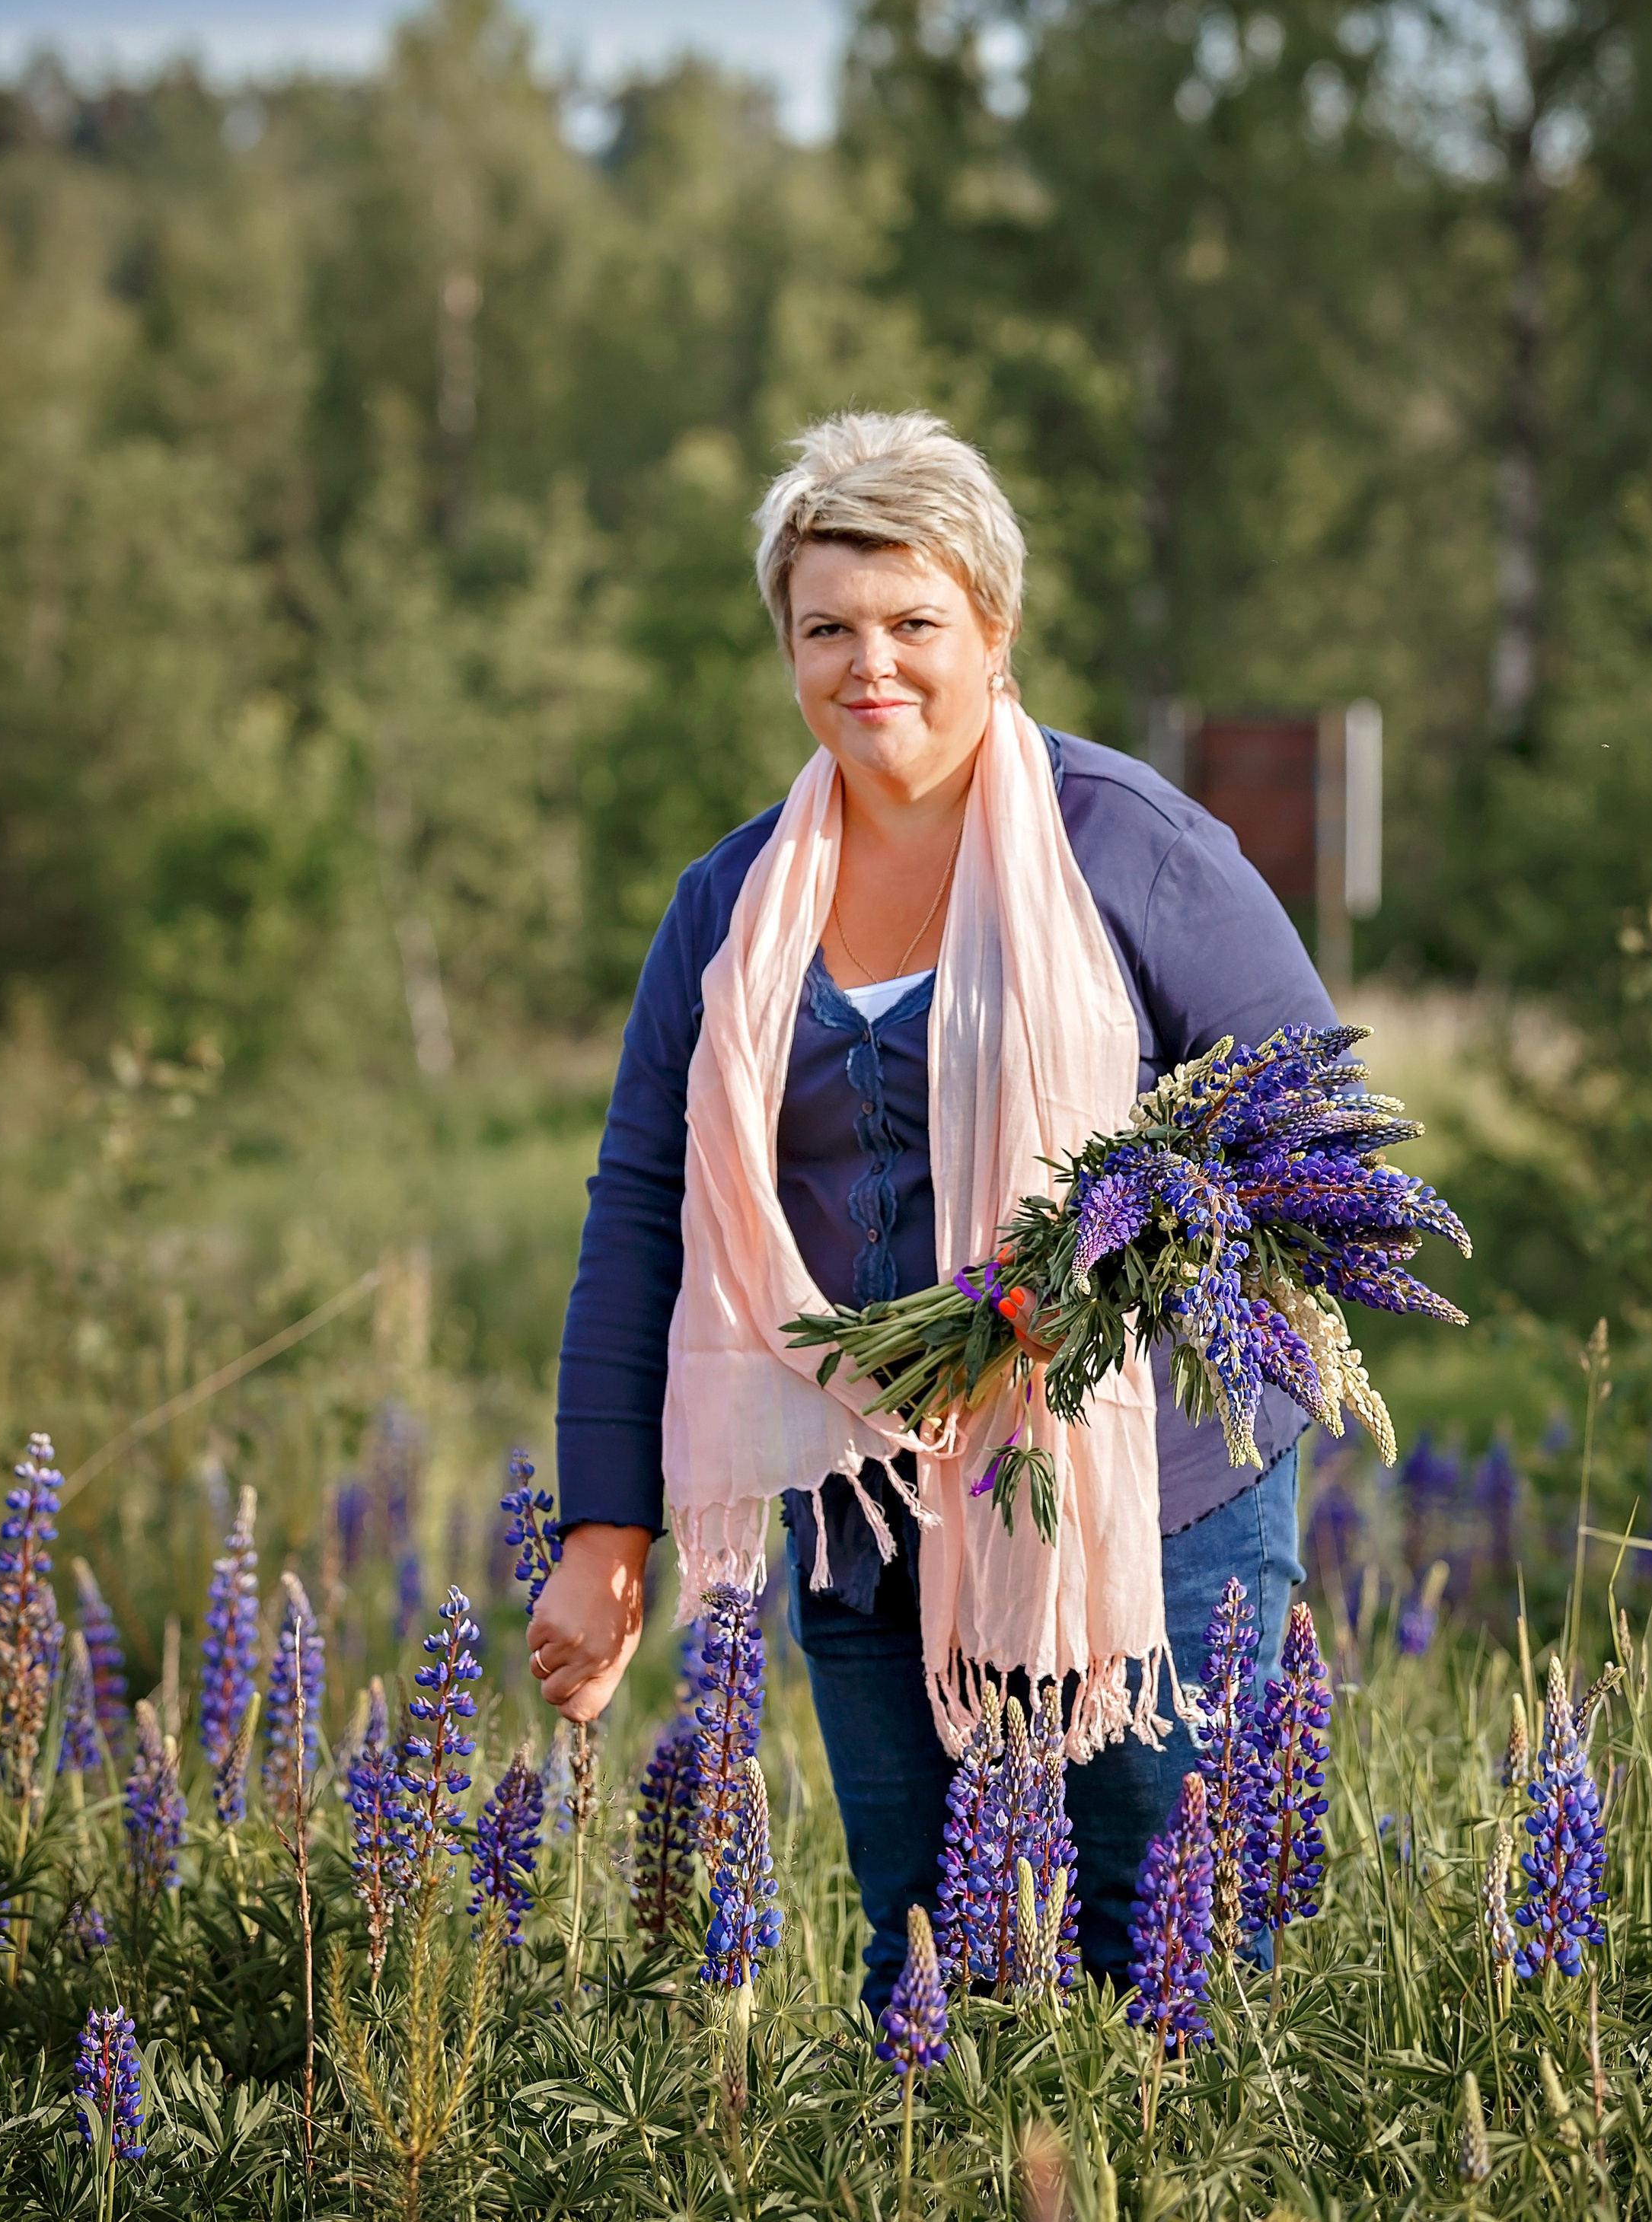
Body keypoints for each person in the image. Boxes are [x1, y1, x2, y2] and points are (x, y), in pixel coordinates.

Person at [529, 410, 1334, 2008]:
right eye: (826, 629)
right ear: (786, 647)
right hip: (864, 1506)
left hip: (1146, 1498)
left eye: (913, 621)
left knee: (1167, 1949)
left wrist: (1093, 1283)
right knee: (929, 1958)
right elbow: (642, 1216)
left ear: (994, 628)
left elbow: (1315, 1141)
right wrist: (604, 1530)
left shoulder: (1131, 848)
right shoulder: (731, 904)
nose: (869, 665)